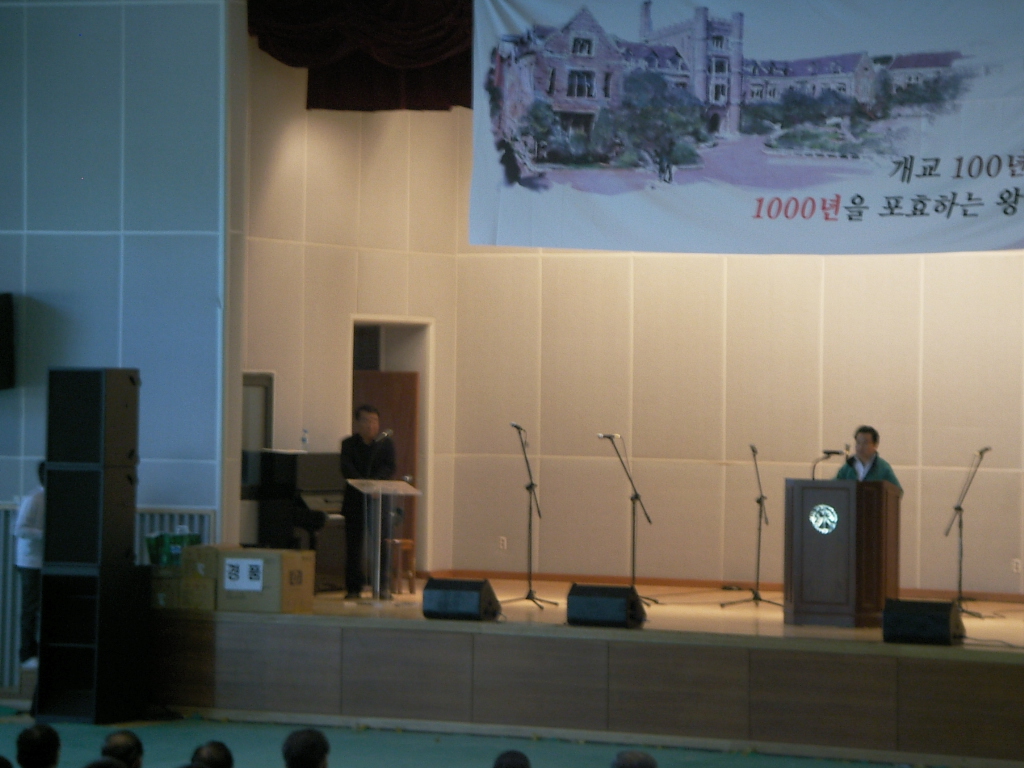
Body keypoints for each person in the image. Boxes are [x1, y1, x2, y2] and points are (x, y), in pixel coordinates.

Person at [339, 405, 396, 598]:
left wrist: (374, 484)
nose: (371, 425)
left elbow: (389, 467)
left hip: (378, 500)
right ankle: (354, 588)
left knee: (381, 544)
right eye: (366, 420)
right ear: (357, 423)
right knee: (354, 546)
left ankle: (382, 586)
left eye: (374, 421)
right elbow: (346, 468)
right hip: (355, 499)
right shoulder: (349, 444)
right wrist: (363, 485)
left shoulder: (385, 444)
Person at [13, 462, 45, 669]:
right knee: (30, 609)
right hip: (30, 561)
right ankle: (27, 654)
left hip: (41, 560)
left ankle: (36, 651)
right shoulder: (34, 499)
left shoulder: (46, 498)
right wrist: (44, 534)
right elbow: (19, 529)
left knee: (38, 608)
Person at [835, 425, 902, 492]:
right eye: (858, 443)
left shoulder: (883, 468)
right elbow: (834, 486)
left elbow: (897, 491)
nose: (860, 447)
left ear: (875, 445)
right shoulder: (848, 466)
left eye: (865, 443)